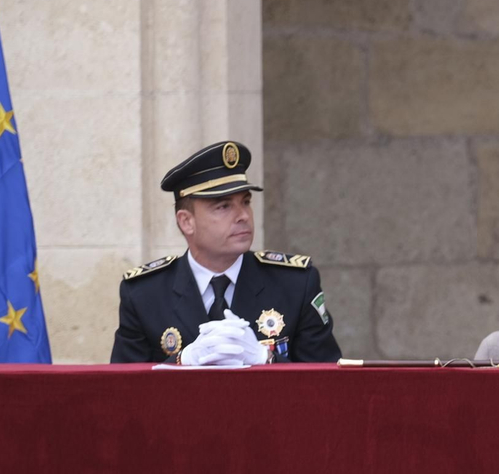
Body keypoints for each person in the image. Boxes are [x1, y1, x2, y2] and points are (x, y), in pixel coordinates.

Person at [110, 141, 341, 365]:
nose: (243, 215)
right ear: (186, 222)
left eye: (246, 201)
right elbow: (123, 391)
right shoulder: (144, 293)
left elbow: (329, 384)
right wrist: (181, 361)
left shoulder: (294, 284)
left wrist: (267, 359)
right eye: (223, 206)